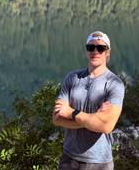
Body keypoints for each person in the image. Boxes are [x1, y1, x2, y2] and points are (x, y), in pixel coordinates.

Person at [53, 30, 125, 170]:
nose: (95, 51)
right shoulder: (72, 78)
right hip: (69, 158)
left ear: (108, 52)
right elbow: (57, 118)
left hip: (99, 162)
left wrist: (72, 113)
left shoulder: (114, 84)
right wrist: (94, 119)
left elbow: (106, 126)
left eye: (101, 48)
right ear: (87, 51)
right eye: (91, 47)